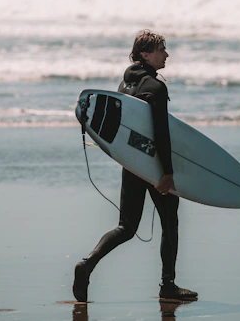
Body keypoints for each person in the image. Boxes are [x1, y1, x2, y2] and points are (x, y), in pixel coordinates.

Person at [73, 30, 198, 302]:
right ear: (145, 54)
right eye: (161, 50)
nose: (166, 54)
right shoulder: (156, 88)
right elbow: (161, 133)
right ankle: (168, 286)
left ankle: (87, 264)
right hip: (153, 165)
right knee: (170, 221)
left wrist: (128, 161)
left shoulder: (124, 86)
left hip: (131, 164)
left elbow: (119, 133)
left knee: (126, 227)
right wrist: (166, 173)